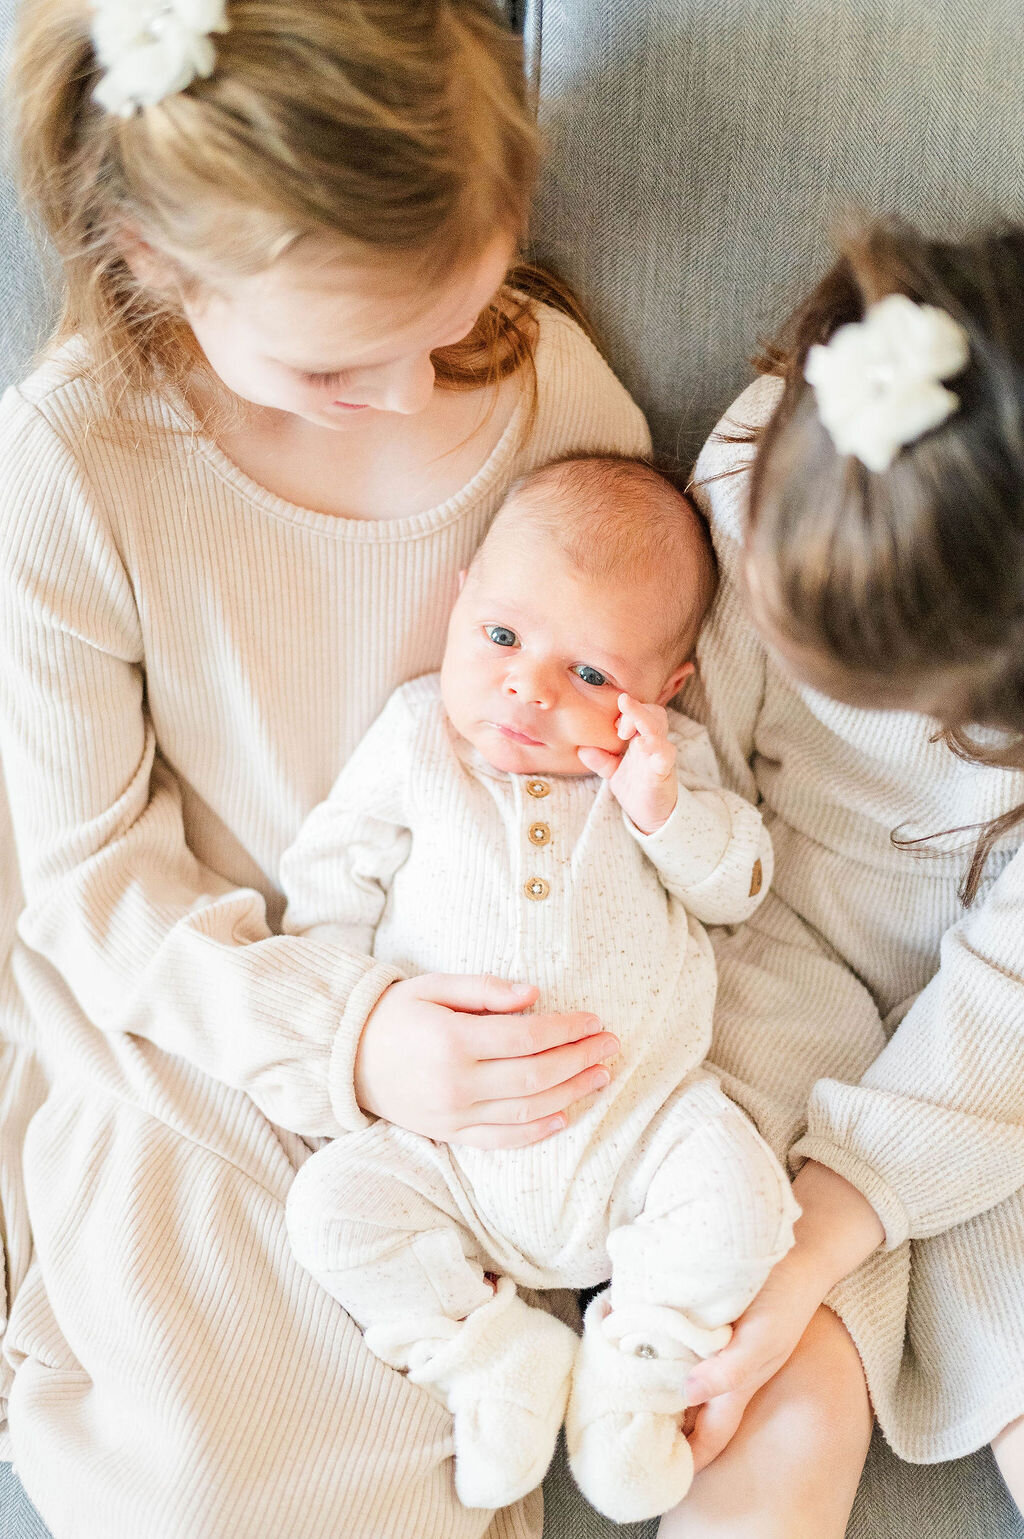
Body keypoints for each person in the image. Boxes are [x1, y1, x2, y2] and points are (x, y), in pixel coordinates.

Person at [0, 4, 653, 1536]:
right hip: (210, 1031)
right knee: (227, 1469)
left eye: (449, 320)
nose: (419, 393)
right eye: (344, 363)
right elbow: (90, 879)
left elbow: (648, 689)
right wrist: (348, 1034)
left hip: (503, 1007)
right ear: (159, 261)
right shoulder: (75, 466)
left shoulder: (549, 389)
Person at [280, 455, 798, 1523]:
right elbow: (327, 878)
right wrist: (357, 1017)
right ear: (460, 597)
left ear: (665, 691)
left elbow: (740, 888)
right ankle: (490, 1355)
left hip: (640, 1130)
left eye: (593, 676)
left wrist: (664, 809)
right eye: (504, 639)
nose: (529, 689)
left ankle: (634, 1366)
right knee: (329, 1209)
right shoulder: (417, 738)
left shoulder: (667, 768)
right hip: (443, 1151)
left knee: (747, 1198)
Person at [658, 220, 1024, 1539]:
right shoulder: (767, 465)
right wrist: (800, 1249)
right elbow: (698, 782)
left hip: (998, 1011)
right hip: (775, 931)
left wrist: (847, 1213)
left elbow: (1005, 1005)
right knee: (768, 1365)